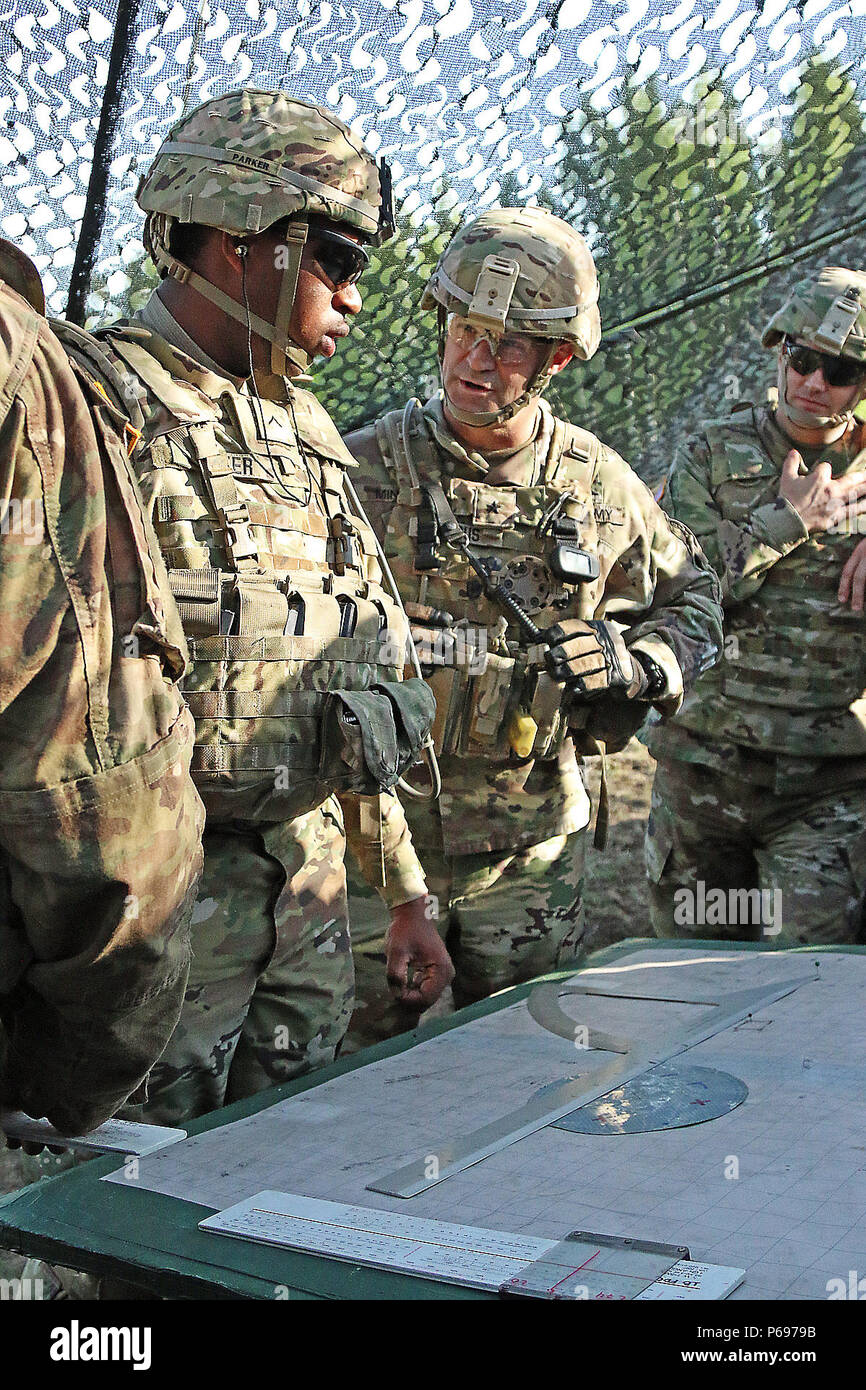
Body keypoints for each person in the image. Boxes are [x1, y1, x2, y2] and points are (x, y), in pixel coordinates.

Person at [65, 88, 451, 1126]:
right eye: (335, 257)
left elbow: (348, 692)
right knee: (121, 1227)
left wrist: (405, 896)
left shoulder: (308, 435)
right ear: (241, 238)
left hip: (306, 910)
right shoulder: (93, 410)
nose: (354, 296)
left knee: (280, 1192)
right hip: (157, 933)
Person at [343, 207, 723, 1048]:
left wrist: (639, 660)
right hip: (374, 850)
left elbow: (695, 601)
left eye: (509, 343)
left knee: (523, 1063)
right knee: (346, 1080)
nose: (476, 361)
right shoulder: (362, 469)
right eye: (465, 329)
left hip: (530, 851)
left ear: (555, 358)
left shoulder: (595, 484)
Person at [0, 238, 204, 1138]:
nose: (351, 298)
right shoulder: (32, 375)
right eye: (338, 259)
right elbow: (100, 819)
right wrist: (71, 1081)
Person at [644, 265, 866, 944]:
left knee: (807, 983)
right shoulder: (712, 454)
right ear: (779, 354)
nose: (813, 383)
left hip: (825, 787)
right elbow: (679, 591)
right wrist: (787, 523)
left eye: (839, 370)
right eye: (801, 360)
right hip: (701, 771)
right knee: (689, 982)